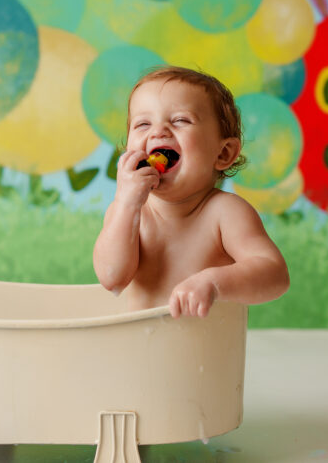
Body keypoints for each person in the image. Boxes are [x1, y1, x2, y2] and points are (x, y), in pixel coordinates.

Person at [93, 66, 290, 318]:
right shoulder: (128, 211)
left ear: (223, 153)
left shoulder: (225, 213)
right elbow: (112, 278)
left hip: (205, 352)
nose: (158, 132)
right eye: (142, 124)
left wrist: (213, 282)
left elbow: (275, 274)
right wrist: (126, 202)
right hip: (142, 350)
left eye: (180, 120)